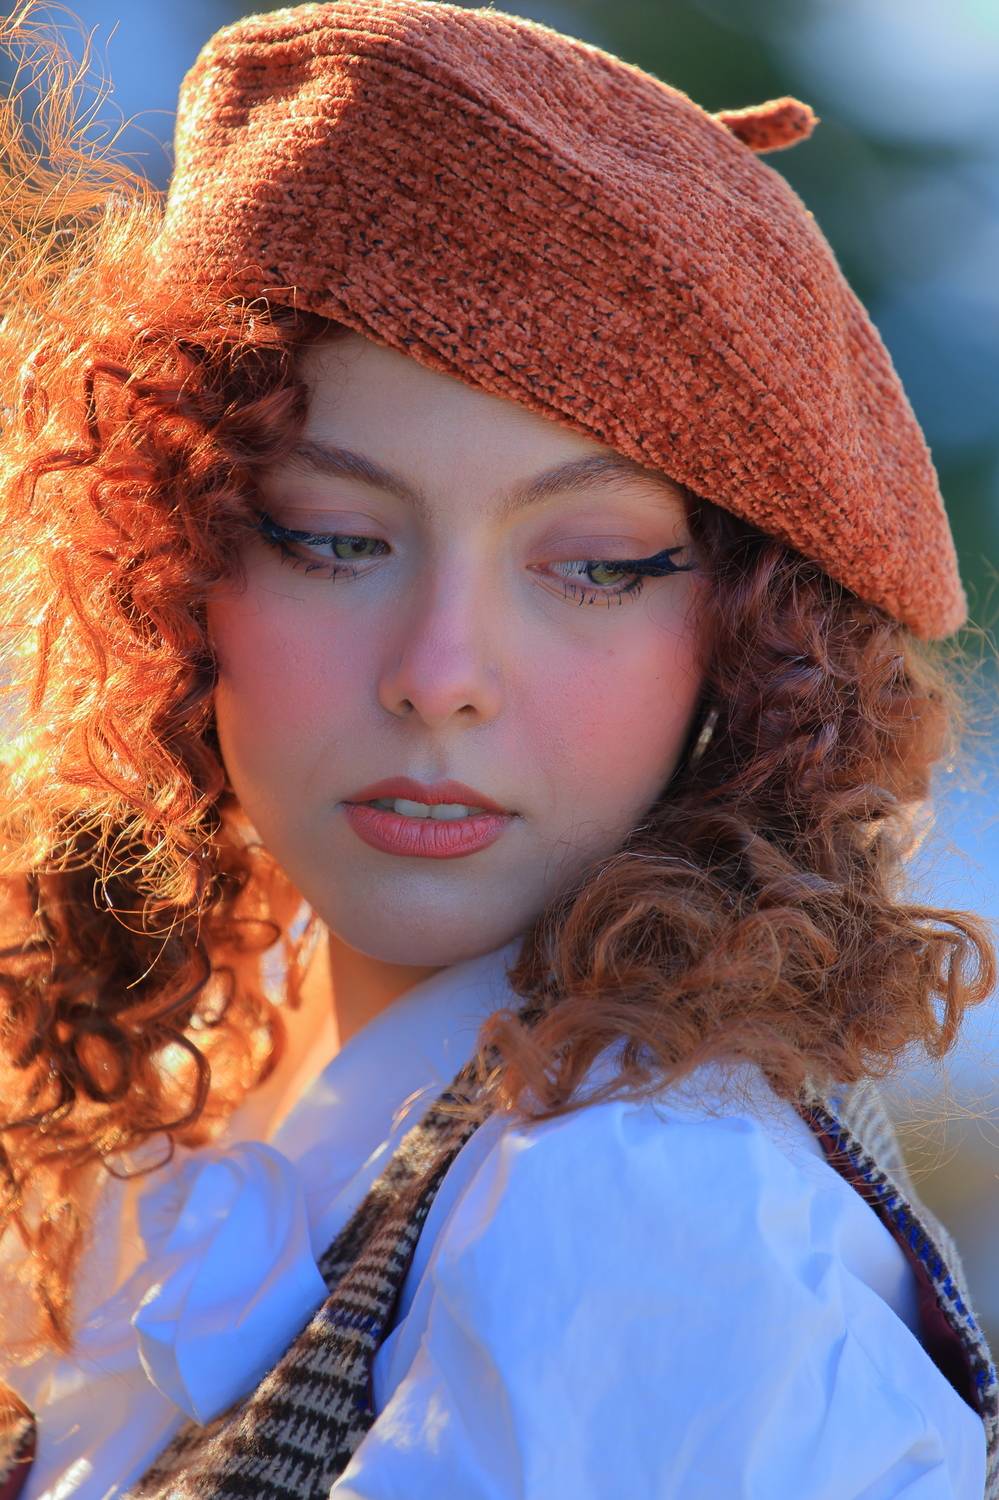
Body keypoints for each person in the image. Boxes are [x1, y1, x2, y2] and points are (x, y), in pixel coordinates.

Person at [0, 1, 996, 1495]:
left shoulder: (649, 1220)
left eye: (593, 566)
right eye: (334, 538)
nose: (439, 679)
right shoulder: (194, 1043)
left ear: (752, 639)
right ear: (174, 556)